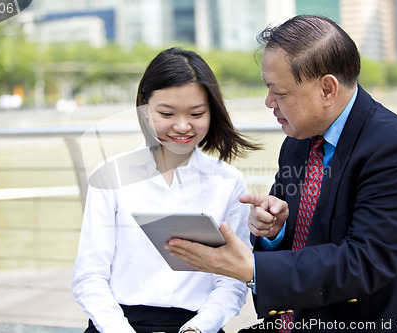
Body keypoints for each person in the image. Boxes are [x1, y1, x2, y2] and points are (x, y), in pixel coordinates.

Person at [166, 15, 397, 332]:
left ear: (327, 88)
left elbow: (363, 262)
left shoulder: (395, 151)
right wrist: (274, 233)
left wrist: (252, 267)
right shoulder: (299, 142)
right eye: (267, 88)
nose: (268, 102)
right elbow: (304, 241)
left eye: (280, 92)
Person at [72, 47, 260, 333]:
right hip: (117, 325)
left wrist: (198, 328)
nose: (182, 126)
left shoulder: (227, 181)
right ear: (144, 108)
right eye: (166, 113)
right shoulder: (110, 177)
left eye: (196, 113)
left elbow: (232, 280)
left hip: (197, 326)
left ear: (212, 111)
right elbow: (89, 277)